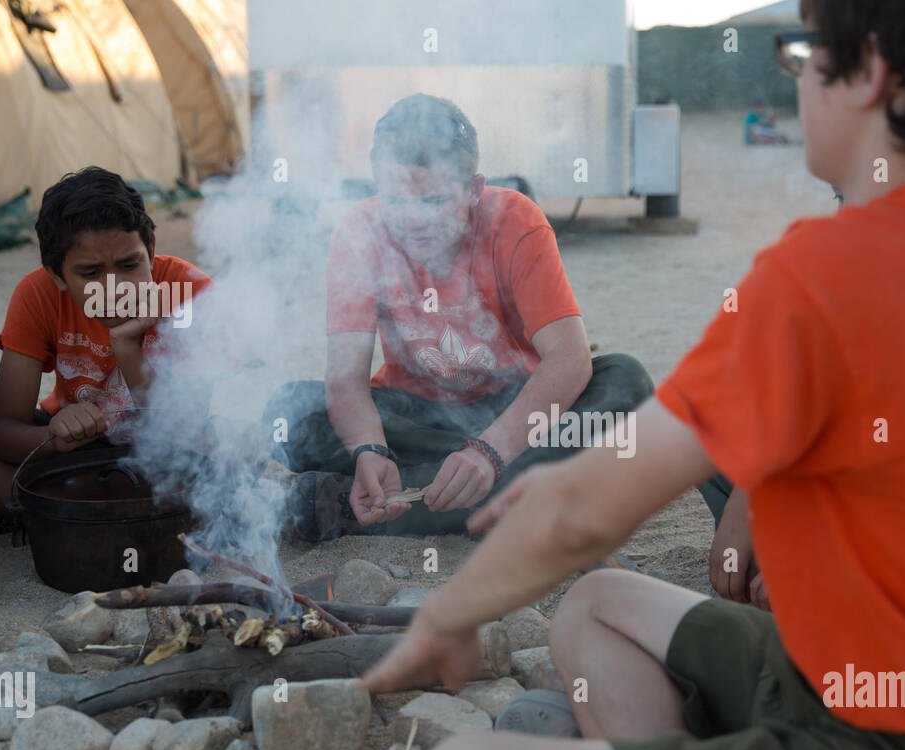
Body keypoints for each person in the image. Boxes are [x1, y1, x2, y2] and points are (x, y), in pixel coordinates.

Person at [359, 0, 905, 750]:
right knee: (595, 607)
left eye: (803, 54)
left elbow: (585, 516)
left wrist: (448, 615)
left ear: (866, 74)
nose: (795, 80)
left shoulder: (824, 273)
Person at [265, 94, 664, 540]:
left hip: (516, 411)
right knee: (289, 413)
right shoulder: (359, 232)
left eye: (434, 201)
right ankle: (514, 491)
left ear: (474, 190)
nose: (413, 220)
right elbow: (345, 379)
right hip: (415, 418)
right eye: (395, 200)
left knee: (627, 384)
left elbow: (570, 360)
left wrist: (488, 452)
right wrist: (370, 448)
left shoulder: (516, 221)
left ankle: (393, 503)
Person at [0, 167, 211, 597]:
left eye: (130, 264)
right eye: (90, 273)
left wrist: (128, 347)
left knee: (215, 480)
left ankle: (5, 513)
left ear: (151, 249)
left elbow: (183, 434)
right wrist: (55, 437)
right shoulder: (38, 294)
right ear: (57, 275)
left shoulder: (188, 290)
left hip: (159, 470)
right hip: (69, 460)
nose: (113, 287)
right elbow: (2, 429)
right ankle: (24, 510)